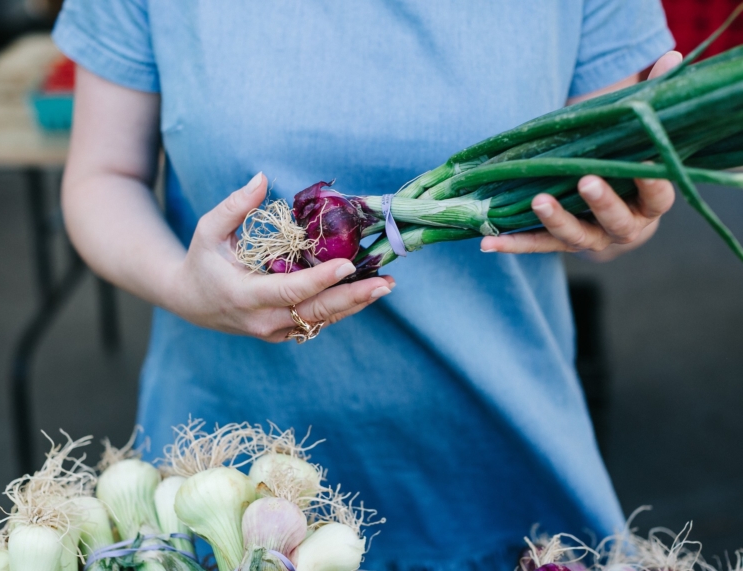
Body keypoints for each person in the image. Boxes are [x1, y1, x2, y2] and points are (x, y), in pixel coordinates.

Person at [53, 2, 678, 568]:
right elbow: (103, 175)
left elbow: (612, 179)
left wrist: (627, 210)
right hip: (227, 465)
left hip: (492, 455)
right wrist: (178, 283)